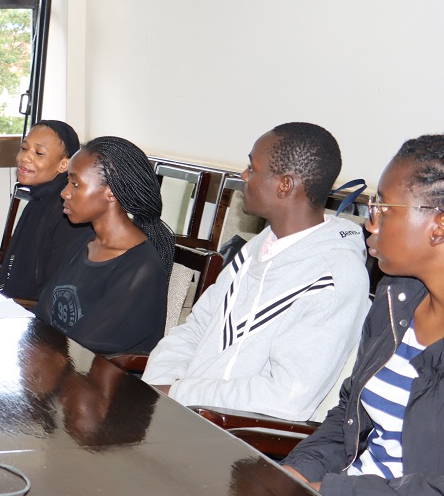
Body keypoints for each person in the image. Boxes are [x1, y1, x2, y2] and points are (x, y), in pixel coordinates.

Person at [282, 134, 444, 496]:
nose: (369, 222)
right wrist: (298, 472)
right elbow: (347, 414)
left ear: (439, 225)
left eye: (383, 208)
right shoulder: (396, 298)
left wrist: (332, 492)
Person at [143, 123, 369, 420]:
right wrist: (158, 387)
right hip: (189, 417)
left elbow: (287, 397)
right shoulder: (256, 249)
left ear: (284, 185)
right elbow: (195, 328)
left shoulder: (336, 277)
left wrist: (179, 393)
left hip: (242, 442)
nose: (244, 175)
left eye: (253, 167)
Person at [36, 136, 173, 355]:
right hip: (57, 365)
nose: (65, 193)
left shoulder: (141, 268)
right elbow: (43, 315)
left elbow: (82, 348)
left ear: (111, 192)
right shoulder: (84, 244)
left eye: (76, 184)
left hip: (97, 381)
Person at [0, 121, 86, 301]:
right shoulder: (38, 198)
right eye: (24, 148)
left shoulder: (67, 210)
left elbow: (55, 291)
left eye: (38, 153)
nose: (24, 158)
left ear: (63, 165)